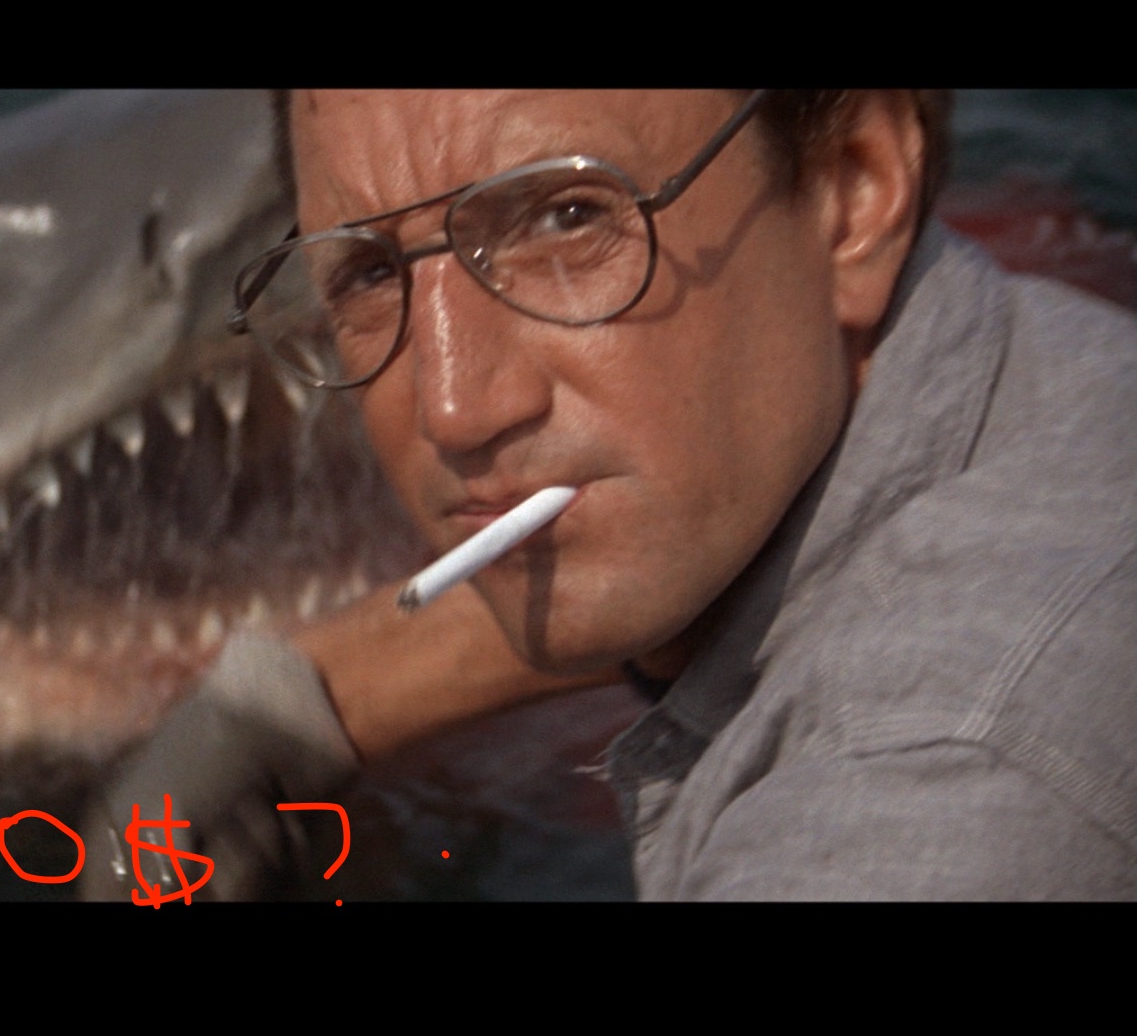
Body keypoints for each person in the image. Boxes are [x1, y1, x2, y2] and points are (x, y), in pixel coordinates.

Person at [82, 90, 1137, 901]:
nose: (451, 408)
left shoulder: (933, 801)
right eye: (366, 274)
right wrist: (315, 690)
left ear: (852, 190)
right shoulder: (1037, 389)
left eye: (565, 216)